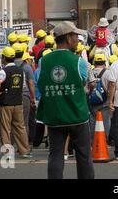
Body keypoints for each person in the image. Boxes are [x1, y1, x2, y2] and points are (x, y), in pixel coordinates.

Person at [36, 21, 94, 179]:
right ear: (68, 38)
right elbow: (84, 83)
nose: (77, 39)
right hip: (77, 116)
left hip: (54, 117)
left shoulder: (43, 61)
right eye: (75, 36)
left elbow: (41, 84)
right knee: (83, 155)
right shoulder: (79, 62)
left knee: (55, 154)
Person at [0, 47, 32, 159]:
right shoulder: (21, 70)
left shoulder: (3, 71)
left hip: (6, 103)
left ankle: (7, 152)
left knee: (5, 128)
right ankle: (24, 151)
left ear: (4, 58)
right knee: (20, 127)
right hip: (18, 102)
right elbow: (23, 86)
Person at [12, 43, 36, 144]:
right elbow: (31, 83)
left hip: (11, 97)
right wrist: (33, 98)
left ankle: (13, 144)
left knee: (12, 122)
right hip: (24, 96)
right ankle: (24, 146)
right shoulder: (27, 67)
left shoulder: (8, 65)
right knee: (24, 122)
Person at [89, 54, 111, 140]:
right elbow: (111, 88)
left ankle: (92, 142)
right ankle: (103, 141)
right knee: (105, 121)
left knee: (92, 121)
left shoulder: (90, 71)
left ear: (94, 62)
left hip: (92, 100)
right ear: (104, 62)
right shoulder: (108, 73)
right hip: (104, 102)